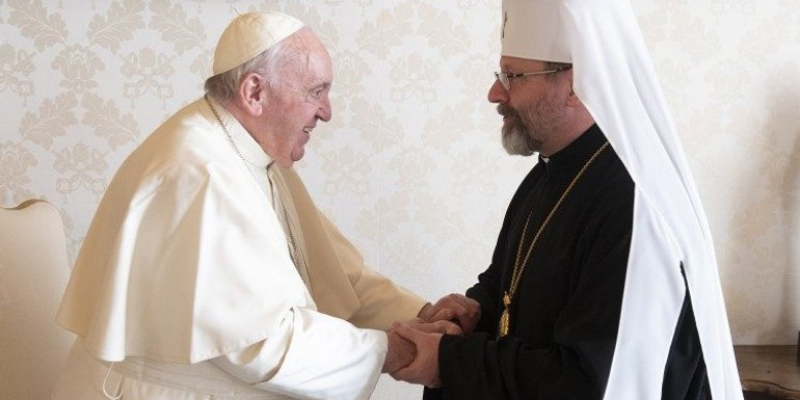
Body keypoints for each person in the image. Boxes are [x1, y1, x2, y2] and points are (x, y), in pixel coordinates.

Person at [51, 11, 460, 400]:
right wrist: (399, 351)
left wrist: (422, 315)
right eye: (316, 91)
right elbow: (259, 342)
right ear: (254, 92)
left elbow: (333, 274)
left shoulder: (250, 154)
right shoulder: (202, 174)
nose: (326, 112)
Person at [390, 0, 744, 399]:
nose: (495, 93)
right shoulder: (549, 174)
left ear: (577, 85)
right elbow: (509, 291)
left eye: (513, 76)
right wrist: (472, 314)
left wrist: (451, 360)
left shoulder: (633, 208)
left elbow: (591, 382)